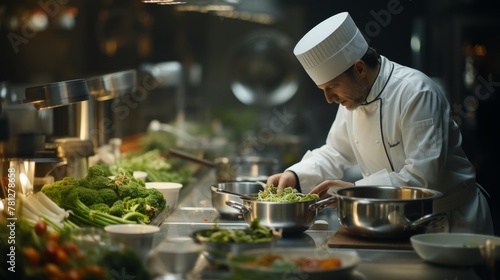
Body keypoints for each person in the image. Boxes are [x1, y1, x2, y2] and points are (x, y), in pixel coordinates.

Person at [266, 12, 494, 234]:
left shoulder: (416, 93)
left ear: (359, 69)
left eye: (332, 87)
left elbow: (424, 177)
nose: (328, 99)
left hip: (450, 222)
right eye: (323, 90)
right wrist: (295, 175)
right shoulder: (352, 99)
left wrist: (355, 191)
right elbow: (335, 152)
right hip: (394, 221)